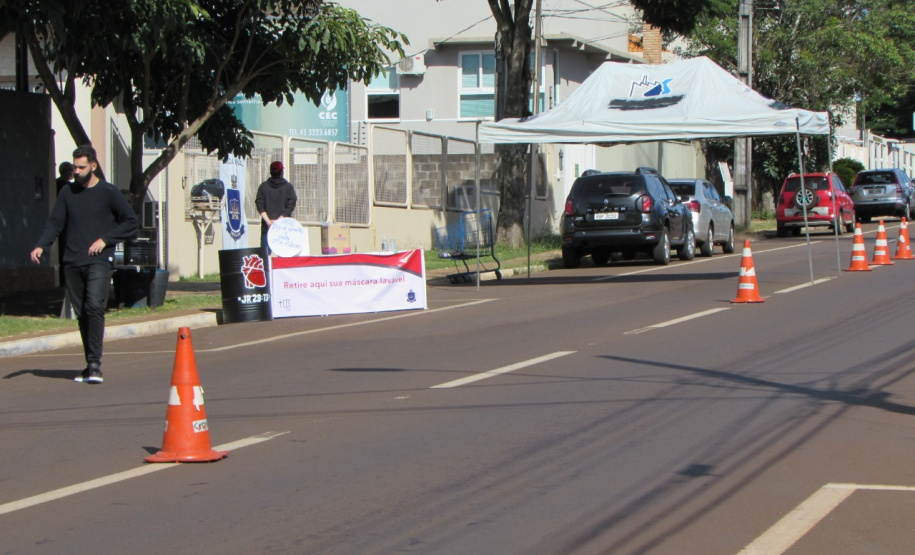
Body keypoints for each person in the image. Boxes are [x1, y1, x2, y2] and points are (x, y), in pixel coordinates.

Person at [31, 145, 139, 384]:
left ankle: (95, 365)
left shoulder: (109, 192)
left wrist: (105, 239)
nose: (76, 172)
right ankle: (89, 362)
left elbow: (131, 222)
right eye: (74, 167)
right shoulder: (67, 193)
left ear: (93, 165)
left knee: (94, 306)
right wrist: (41, 245)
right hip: (72, 261)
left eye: (81, 167)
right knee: (82, 313)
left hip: (98, 260)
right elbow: (55, 223)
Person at [255, 161, 297, 253]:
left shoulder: (263, 186)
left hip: (267, 227)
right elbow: (291, 205)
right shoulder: (288, 187)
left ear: (270, 172)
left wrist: (269, 221)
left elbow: (259, 204)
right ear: (282, 172)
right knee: (283, 256)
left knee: (265, 257)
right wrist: (279, 221)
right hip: (284, 227)